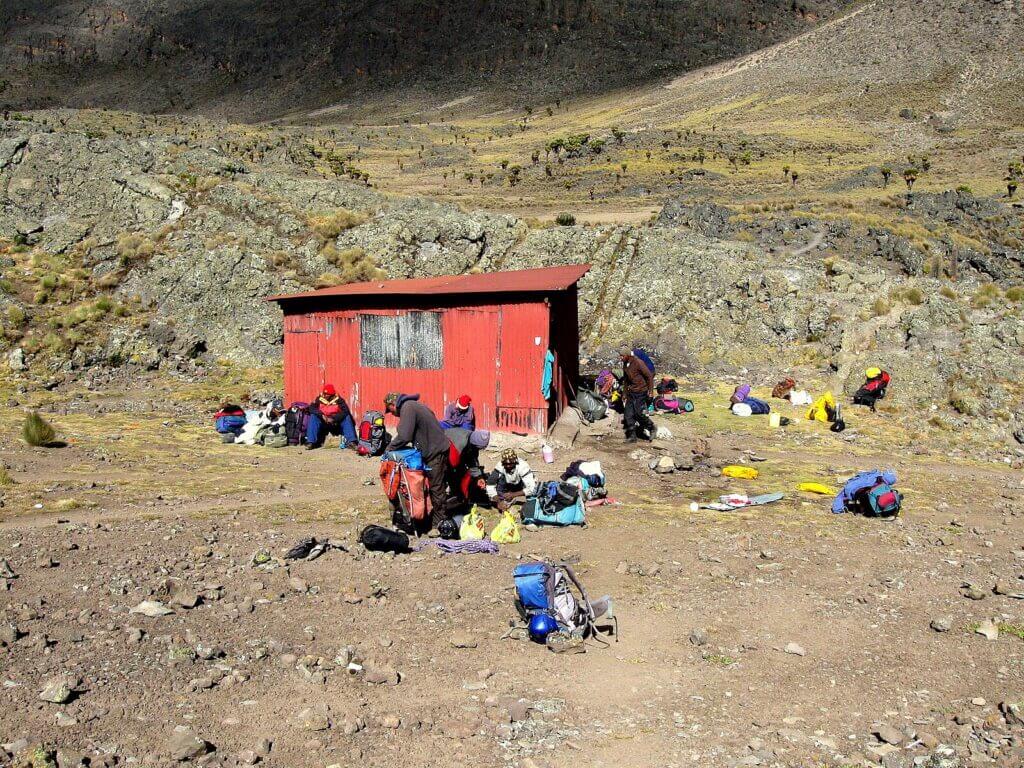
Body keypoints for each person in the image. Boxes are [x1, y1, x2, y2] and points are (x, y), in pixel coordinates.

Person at [384, 392, 451, 531]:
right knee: (429, 487)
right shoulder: (415, 406)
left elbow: (404, 435)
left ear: (392, 405)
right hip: (434, 449)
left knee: (436, 488)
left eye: (390, 410)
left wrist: (390, 448)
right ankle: (427, 519)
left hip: (435, 452)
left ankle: (439, 524)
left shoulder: (407, 408)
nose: (392, 414)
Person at [446, 428, 491, 509]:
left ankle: (459, 499)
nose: (479, 450)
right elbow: (453, 464)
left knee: (464, 477)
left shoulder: (473, 442)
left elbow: (472, 460)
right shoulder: (459, 443)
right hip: (442, 456)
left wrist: (479, 477)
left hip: (455, 459)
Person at [305, 384, 356, 450]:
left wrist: (333, 418)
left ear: (331, 394)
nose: (325, 395)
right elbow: (312, 408)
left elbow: (345, 411)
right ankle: (310, 442)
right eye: (324, 393)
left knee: (347, 417)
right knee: (313, 416)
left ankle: (351, 442)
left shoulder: (339, 400)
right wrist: (321, 415)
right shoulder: (319, 399)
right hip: (323, 423)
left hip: (336, 423)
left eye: (327, 394)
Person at [620, 346, 654, 443]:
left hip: (641, 391)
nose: (620, 358)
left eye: (622, 356)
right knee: (628, 414)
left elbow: (649, 376)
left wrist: (650, 391)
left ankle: (652, 428)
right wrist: (624, 393)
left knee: (639, 413)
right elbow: (626, 380)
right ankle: (632, 436)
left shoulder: (638, 363)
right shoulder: (625, 364)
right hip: (631, 392)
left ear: (627, 355)